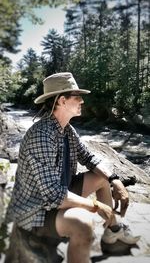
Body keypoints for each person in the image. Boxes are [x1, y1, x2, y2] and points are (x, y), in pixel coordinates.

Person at [6, 72, 140, 263]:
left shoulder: (67, 130)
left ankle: (113, 233)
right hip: (36, 212)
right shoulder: (41, 136)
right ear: (61, 100)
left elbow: (89, 157)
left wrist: (114, 179)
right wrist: (96, 206)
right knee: (84, 224)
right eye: (77, 97)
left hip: (59, 193)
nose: (82, 101)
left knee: (101, 177)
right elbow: (52, 195)